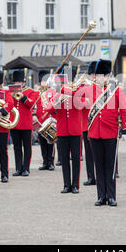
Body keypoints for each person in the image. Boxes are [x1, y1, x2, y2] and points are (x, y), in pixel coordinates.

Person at [87, 59, 126, 206]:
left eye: (103, 76)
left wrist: (125, 127)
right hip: (94, 133)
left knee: (110, 166)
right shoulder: (89, 89)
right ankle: (101, 196)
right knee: (98, 166)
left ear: (108, 76)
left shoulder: (116, 90)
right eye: (98, 75)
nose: (100, 78)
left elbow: (124, 108)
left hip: (110, 132)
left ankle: (111, 196)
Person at [46, 65, 84, 194]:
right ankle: (67, 184)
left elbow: (82, 105)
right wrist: (59, 99)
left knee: (76, 158)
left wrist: (70, 92)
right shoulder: (59, 92)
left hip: (75, 130)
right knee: (64, 158)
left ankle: (75, 185)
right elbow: (49, 109)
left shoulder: (78, 91)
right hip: (62, 130)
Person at [10, 68, 39, 177]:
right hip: (15, 123)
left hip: (26, 123)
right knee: (17, 147)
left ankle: (26, 168)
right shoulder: (10, 92)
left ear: (23, 82)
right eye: (16, 82)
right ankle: (18, 168)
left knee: (27, 147)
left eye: (20, 82)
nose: (18, 84)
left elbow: (31, 104)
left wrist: (23, 97)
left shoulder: (30, 91)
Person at [36, 70, 56, 171]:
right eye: (42, 81)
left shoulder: (52, 91)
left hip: (49, 120)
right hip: (40, 121)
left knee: (50, 142)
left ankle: (51, 162)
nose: (44, 83)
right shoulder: (37, 93)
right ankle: (45, 162)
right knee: (42, 143)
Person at [80, 62, 96, 185]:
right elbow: (78, 102)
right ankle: (91, 176)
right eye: (92, 74)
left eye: (95, 74)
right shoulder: (84, 87)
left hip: (100, 125)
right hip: (86, 124)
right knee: (89, 154)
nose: (94, 77)